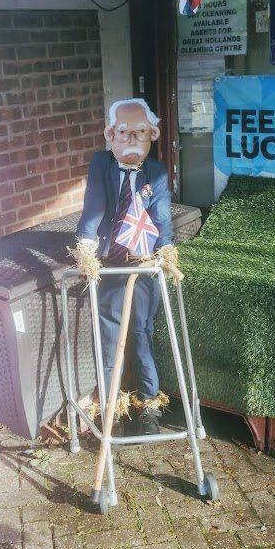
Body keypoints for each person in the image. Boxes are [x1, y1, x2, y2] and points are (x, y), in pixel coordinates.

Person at [72, 98, 178, 435]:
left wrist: (165, 250)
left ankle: (148, 405)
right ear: (110, 134)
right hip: (111, 261)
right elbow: (94, 207)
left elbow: (161, 216)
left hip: (143, 261)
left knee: (142, 332)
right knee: (110, 333)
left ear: (153, 135)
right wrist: (87, 245)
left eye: (141, 132)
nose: (132, 139)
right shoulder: (101, 164)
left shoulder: (156, 172)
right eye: (124, 132)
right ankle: (110, 405)